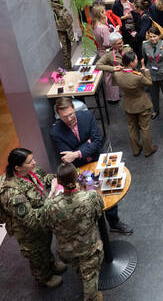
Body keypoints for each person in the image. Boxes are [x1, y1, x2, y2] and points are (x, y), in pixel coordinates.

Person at [50, 97, 131, 234]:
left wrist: (76, 152)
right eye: (65, 117)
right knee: (91, 197)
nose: (69, 119)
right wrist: (87, 145)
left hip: (98, 159)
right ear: (59, 115)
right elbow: (66, 157)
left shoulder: (87, 116)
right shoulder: (56, 131)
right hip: (82, 168)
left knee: (109, 191)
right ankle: (97, 228)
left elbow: (97, 141)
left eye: (71, 114)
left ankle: (114, 222)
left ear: (74, 109)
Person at [0, 148, 65, 289]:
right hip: (29, 232)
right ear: (18, 167)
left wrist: (57, 177)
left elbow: (43, 179)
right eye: (30, 162)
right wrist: (51, 196)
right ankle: (44, 277)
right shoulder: (13, 193)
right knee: (37, 254)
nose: (34, 163)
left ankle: (51, 263)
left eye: (33, 159)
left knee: (46, 244)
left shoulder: (31, 171)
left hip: (43, 220)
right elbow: (30, 221)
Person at [43, 163, 104, 301]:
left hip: (66, 249)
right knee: (90, 276)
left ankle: (82, 273)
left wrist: (52, 192)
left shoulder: (51, 204)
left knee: (78, 266)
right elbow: (98, 213)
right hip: (88, 247)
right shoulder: (91, 197)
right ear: (76, 178)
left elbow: (46, 219)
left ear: (58, 182)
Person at [114, 51, 158, 157]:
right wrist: (145, 71)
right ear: (131, 63)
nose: (137, 61)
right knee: (145, 127)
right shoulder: (137, 76)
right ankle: (148, 150)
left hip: (128, 104)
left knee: (132, 128)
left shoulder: (117, 74)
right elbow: (149, 82)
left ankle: (136, 149)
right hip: (141, 104)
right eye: (136, 60)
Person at [91, 3, 120, 103]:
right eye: (103, 12)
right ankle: (113, 97)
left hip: (100, 50)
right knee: (111, 75)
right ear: (99, 14)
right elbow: (108, 42)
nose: (105, 13)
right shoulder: (102, 28)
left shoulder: (95, 24)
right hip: (107, 51)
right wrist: (115, 32)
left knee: (107, 75)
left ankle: (111, 95)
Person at [142, 29, 163, 120]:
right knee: (153, 94)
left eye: (155, 36)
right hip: (151, 73)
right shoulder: (145, 45)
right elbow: (144, 57)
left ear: (159, 36)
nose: (152, 39)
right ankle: (156, 110)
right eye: (150, 36)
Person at [51, 0, 75, 69]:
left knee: (68, 51)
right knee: (65, 54)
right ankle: (68, 70)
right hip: (60, 31)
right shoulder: (52, 6)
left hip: (66, 30)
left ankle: (69, 69)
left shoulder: (59, 3)